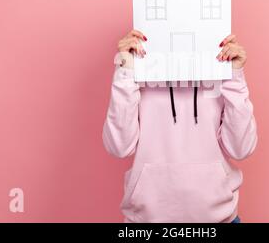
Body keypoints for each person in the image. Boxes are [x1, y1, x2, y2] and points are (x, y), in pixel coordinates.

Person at [103, 29, 257, 223]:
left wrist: (234, 76)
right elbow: (119, 147)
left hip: (219, 219)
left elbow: (241, 148)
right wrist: (125, 71)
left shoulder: (218, 63)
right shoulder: (139, 66)